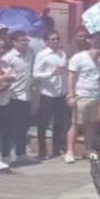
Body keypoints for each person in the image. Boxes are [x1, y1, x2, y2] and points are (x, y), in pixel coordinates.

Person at [66, 35, 100, 163]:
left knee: (90, 124)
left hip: (96, 95)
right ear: (98, 48)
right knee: (76, 125)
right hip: (81, 95)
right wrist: (71, 95)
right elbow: (71, 77)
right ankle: (70, 151)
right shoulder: (79, 58)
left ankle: (88, 150)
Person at [0, 30, 36, 165]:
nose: (25, 42)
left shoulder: (30, 54)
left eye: (26, 40)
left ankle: (21, 154)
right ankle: (6, 156)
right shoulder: (8, 58)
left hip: (26, 96)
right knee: (9, 128)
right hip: (12, 97)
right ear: (14, 42)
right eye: (22, 40)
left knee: (24, 126)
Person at [33, 30, 70, 160]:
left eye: (57, 38)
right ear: (46, 41)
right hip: (47, 93)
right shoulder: (42, 55)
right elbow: (36, 74)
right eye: (52, 39)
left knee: (59, 122)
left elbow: (65, 73)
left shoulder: (62, 53)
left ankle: (56, 149)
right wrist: (51, 73)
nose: (55, 41)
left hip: (60, 92)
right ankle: (42, 150)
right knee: (43, 122)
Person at [0, 40, 13, 172]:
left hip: (4, 103)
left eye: (1, 48)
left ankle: (0, 157)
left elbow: (13, 75)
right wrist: (5, 82)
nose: (0, 51)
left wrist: (5, 79)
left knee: (1, 132)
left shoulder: (2, 64)